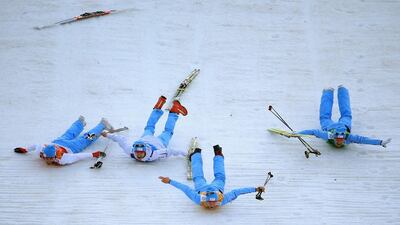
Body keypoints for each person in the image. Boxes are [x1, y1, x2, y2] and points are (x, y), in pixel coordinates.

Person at [159, 145, 265, 209]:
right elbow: (185, 189)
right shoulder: (203, 199)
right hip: (207, 188)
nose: (213, 205)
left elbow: (237, 191)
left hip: (206, 188)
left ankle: (196, 155)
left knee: (198, 176)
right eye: (211, 202)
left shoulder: (207, 199)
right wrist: (170, 181)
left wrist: (255, 189)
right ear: (206, 200)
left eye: (213, 202)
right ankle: (216, 154)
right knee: (219, 177)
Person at [297, 85, 391, 148]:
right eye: (338, 140)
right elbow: (313, 132)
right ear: (334, 138)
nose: (339, 142)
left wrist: (380, 142)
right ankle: (339, 91)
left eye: (340, 140)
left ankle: (333, 91)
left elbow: (363, 140)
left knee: (325, 117)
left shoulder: (343, 136)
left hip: (335, 126)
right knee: (345, 114)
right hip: (337, 126)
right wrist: (297, 133)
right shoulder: (330, 135)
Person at [103, 96, 187, 162]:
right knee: (150, 127)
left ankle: (173, 111)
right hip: (146, 139)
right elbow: (121, 139)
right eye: (138, 154)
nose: (139, 156)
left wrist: (187, 154)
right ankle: (160, 108)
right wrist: (107, 135)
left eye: (140, 154)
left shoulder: (154, 154)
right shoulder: (131, 151)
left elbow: (171, 151)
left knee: (167, 132)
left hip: (159, 142)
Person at [14, 116, 111, 166]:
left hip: (72, 146)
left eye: (50, 158)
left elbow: (77, 156)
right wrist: (25, 149)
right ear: (44, 154)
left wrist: (93, 154)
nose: (48, 160)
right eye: (47, 158)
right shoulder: (41, 151)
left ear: (55, 155)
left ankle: (102, 125)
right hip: (58, 142)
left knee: (87, 138)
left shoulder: (63, 159)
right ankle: (80, 122)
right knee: (70, 133)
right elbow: (35, 145)